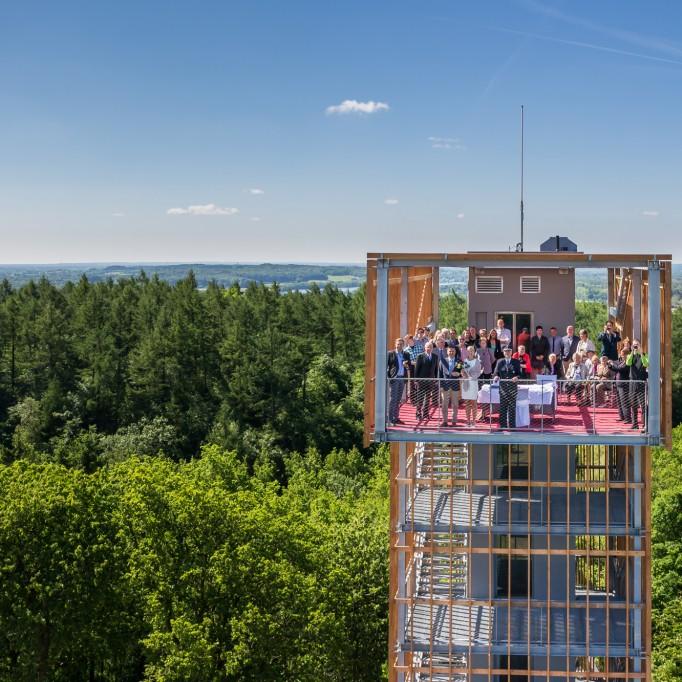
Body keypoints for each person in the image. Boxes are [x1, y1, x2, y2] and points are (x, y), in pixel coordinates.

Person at [493, 346, 522, 429]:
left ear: (511, 352)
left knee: (512, 408)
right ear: (503, 352)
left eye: (509, 351)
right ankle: (503, 426)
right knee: (503, 408)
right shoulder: (500, 361)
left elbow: (520, 374)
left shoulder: (516, 362)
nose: (507, 353)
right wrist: (496, 377)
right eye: (505, 351)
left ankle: (512, 427)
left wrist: (517, 377)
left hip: (512, 388)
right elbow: (495, 373)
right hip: (503, 388)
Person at [414, 341, 440, 422]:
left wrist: (436, 379)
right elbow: (416, 369)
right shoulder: (420, 356)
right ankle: (418, 414)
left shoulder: (435, 356)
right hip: (421, 381)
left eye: (430, 347)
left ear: (432, 348)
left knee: (428, 398)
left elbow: (436, 369)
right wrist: (416, 380)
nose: (429, 348)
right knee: (420, 398)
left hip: (431, 381)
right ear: (425, 348)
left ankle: (425, 414)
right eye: (427, 347)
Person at [387, 338, 410, 425]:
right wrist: (389, 377)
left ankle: (396, 418)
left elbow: (409, 366)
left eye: (401, 344)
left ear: (403, 345)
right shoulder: (390, 353)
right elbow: (386, 366)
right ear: (395, 344)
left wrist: (406, 365)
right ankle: (390, 419)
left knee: (398, 399)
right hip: (394, 379)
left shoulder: (406, 354)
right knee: (393, 399)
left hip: (402, 379)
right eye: (398, 344)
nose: (399, 346)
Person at [626, 340, 649, 430]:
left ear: (640, 345)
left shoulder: (644, 355)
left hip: (641, 382)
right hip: (632, 382)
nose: (635, 346)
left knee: (643, 405)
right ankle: (635, 424)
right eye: (634, 345)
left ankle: (644, 425)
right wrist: (632, 352)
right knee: (633, 404)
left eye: (637, 345)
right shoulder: (630, 355)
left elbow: (646, 364)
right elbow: (628, 363)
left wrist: (641, 353)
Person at [438, 345, 462, 426]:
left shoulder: (459, 362)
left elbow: (459, 373)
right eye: (450, 351)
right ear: (447, 352)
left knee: (455, 404)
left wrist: (458, 373)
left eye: (453, 351)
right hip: (445, 386)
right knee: (444, 405)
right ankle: (445, 421)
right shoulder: (442, 361)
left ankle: (454, 421)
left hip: (455, 386)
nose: (451, 352)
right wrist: (440, 386)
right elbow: (440, 374)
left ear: (455, 352)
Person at [461, 345, 482, 427]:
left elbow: (478, 373)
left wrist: (472, 377)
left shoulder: (477, 361)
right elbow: (461, 371)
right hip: (466, 384)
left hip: (473, 383)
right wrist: (463, 374)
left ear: (474, 352)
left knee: (473, 403)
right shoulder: (464, 361)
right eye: (469, 350)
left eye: (472, 350)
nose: (470, 352)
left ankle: (474, 421)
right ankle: (468, 421)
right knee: (467, 403)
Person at [608, 348, 631, 422]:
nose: (622, 356)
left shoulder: (627, 363)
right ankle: (622, 417)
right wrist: (610, 365)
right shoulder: (621, 362)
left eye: (623, 354)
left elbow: (620, 369)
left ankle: (627, 418)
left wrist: (612, 364)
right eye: (621, 354)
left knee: (624, 401)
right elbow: (616, 368)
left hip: (624, 384)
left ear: (627, 355)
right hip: (617, 383)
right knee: (619, 402)